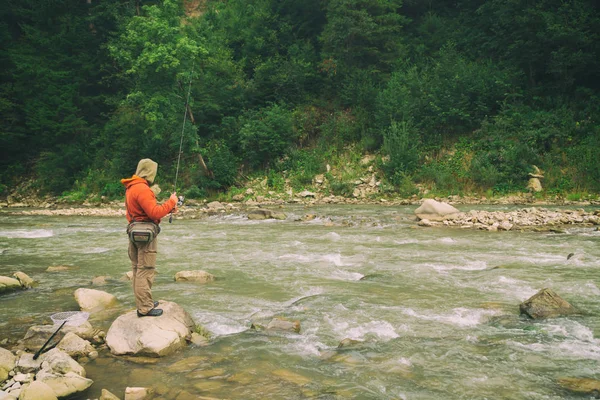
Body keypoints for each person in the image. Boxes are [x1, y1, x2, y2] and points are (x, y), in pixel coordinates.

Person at [121, 158, 178, 317]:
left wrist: (168, 208)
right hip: (145, 235)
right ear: (149, 171)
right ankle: (145, 308)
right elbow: (154, 213)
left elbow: (144, 211)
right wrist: (171, 202)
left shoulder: (131, 187)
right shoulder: (142, 188)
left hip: (134, 232)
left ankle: (143, 303)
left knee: (137, 270)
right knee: (145, 270)